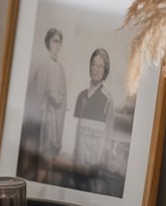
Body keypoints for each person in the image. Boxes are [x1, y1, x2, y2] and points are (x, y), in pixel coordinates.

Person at [19, 28, 67, 183]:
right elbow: (37, 95)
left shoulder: (60, 68)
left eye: (59, 42)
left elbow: (62, 94)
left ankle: (46, 183)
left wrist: (58, 100)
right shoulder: (43, 66)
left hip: (54, 118)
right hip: (43, 117)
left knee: (49, 155)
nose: (57, 45)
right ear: (48, 43)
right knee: (38, 153)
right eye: (54, 41)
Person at [71, 47, 114, 192]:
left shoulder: (107, 99)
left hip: (94, 162)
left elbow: (108, 133)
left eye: (100, 66)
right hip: (78, 160)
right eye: (94, 65)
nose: (96, 69)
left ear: (105, 71)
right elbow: (75, 129)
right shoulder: (81, 95)